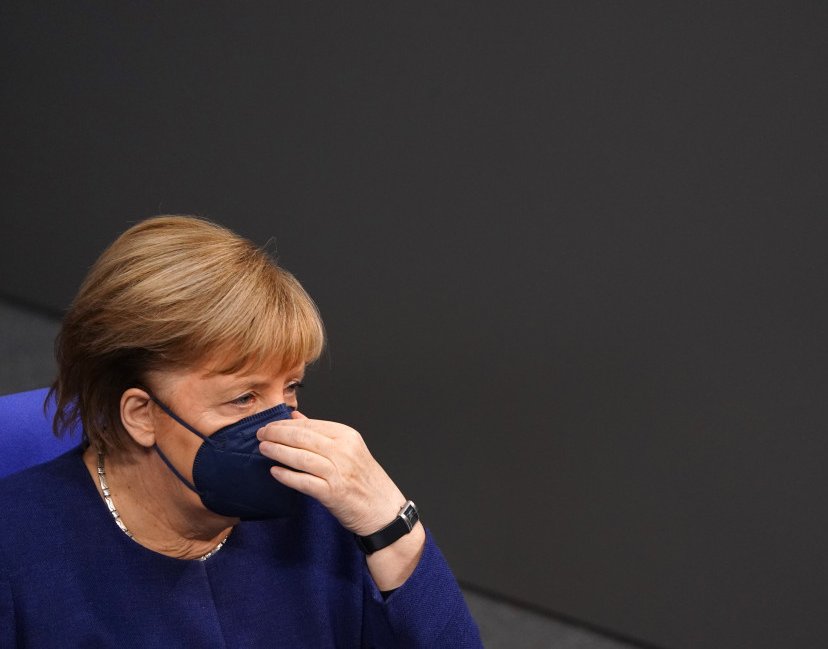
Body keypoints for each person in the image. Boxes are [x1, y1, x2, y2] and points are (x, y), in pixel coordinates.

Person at [0, 215, 483, 647]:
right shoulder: (16, 550)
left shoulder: (321, 509)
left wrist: (390, 524)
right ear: (141, 414)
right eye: (243, 398)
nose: (279, 426)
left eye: (290, 388)